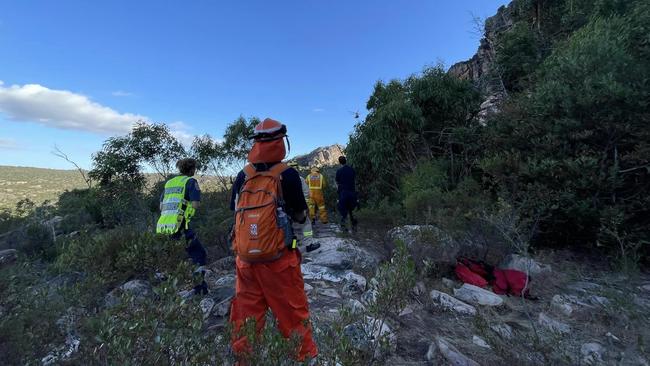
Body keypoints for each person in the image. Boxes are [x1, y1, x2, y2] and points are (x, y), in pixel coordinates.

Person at [229, 118, 318, 362]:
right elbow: (299, 213)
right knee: (293, 315)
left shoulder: (242, 175)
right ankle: (303, 358)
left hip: (245, 261)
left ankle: (244, 360)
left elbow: (235, 211)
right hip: (279, 262)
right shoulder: (287, 175)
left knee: (246, 319)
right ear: (281, 142)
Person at [156, 158, 208, 295]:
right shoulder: (190, 182)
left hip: (165, 226)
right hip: (181, 225)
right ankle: (200, 289)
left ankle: (164, 291)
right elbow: (195, 204)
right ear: (192, 169)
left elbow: (161, 206)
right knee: (199, 254)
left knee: (170, 257)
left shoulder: (169, 183)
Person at [287, 161, 320, 253]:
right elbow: (307, 193)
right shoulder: (299, 178)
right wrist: (305, 207)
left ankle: (293, 247)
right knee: (306, 224)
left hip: (286, 209)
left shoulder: (281, 179)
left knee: (291, 229)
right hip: (299, 207)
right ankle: (309, 245)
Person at [335, 156, 358, 231]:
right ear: (346, 161)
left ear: (339, 162)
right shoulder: (352, 170)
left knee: (343, 210)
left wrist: (338, 192)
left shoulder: (339, 171)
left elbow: (337, 182)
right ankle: (354, 225)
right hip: (352, 191)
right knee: (351, 209)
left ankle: (344, 227)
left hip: (343, 193)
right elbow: (355, 181)